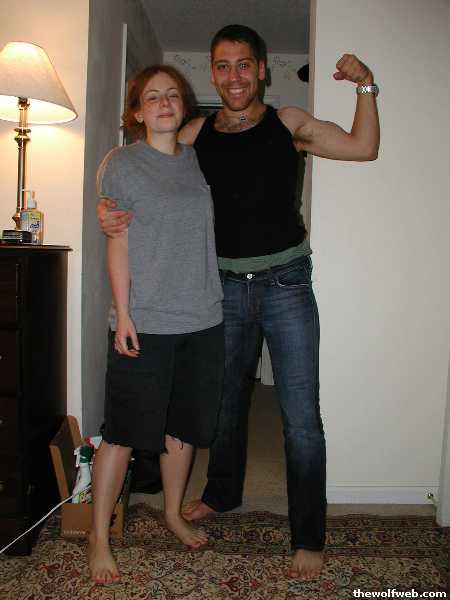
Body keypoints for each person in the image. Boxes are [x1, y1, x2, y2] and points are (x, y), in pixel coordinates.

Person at [97, 25, 380, 581]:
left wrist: (366, 86)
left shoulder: (288, 123)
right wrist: (109, 212)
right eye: (223, 66)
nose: (234, 76)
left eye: (244, 64)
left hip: (286, 283)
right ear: (213, 73)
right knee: (221, 406)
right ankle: (221, 494)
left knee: (301, 417)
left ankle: (307, 535)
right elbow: (145, 171)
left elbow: (363, 147)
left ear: (262, 70)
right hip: (219, 288)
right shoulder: (195, 133)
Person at [89, 64, 224, 585]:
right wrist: (123, 313)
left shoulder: (195, 158)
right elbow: (117, 241)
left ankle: (172, 513)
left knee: (183, 428)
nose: (164, 103)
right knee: (122, 433)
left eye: (172, 95)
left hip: (202, 317)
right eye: (152, 97)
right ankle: (99, 537)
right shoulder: (122, 164)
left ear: (183, 106)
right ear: (138, 112)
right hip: (144, 320)